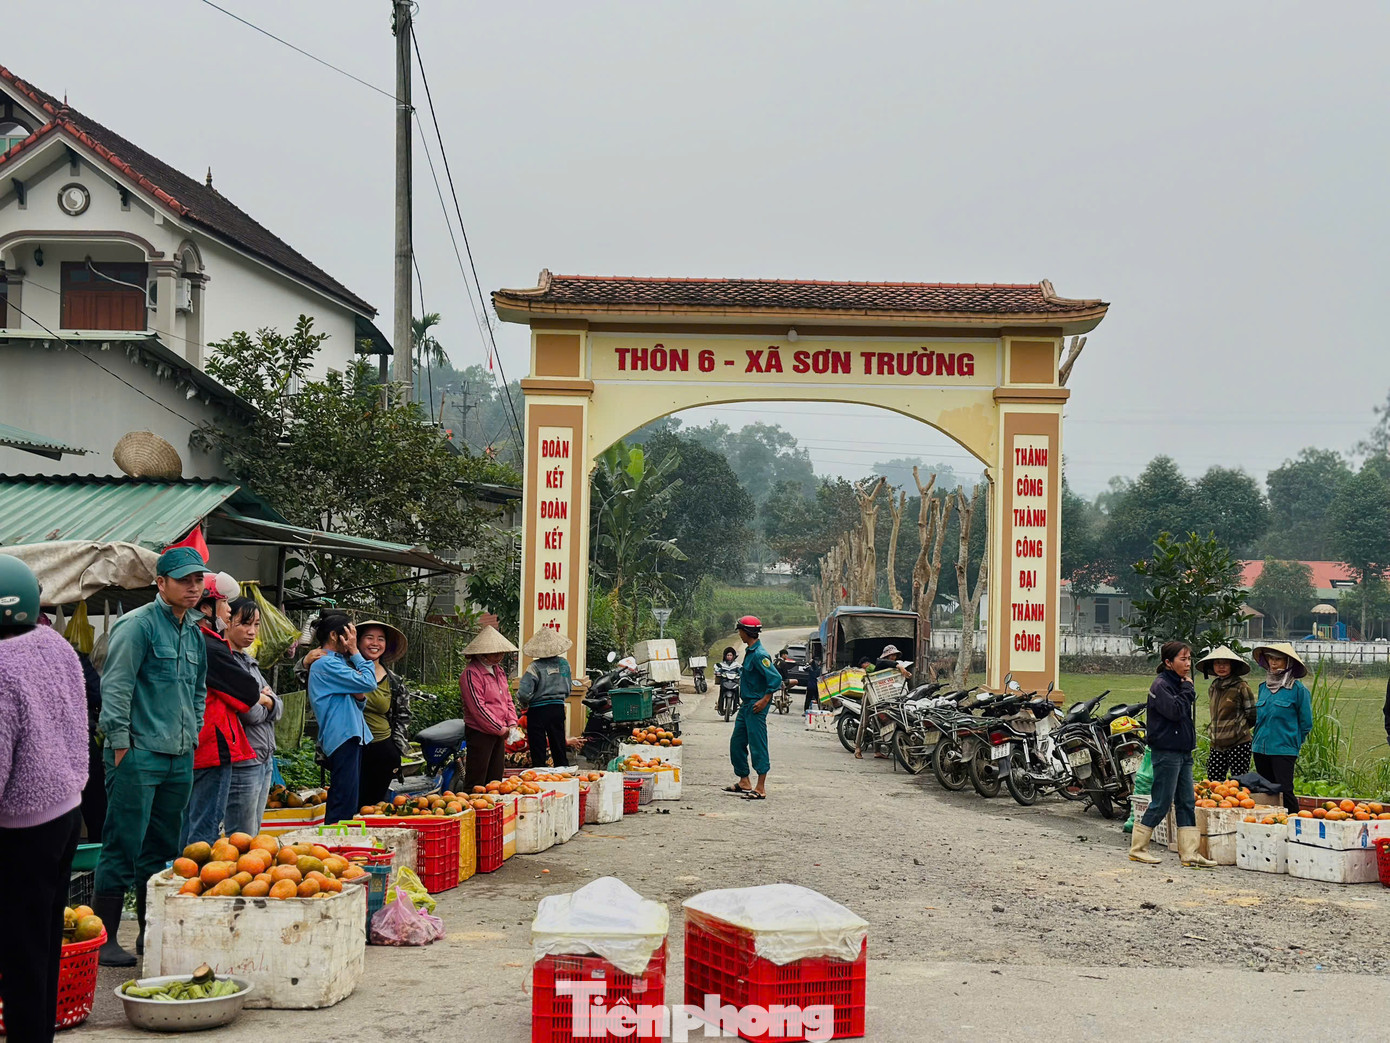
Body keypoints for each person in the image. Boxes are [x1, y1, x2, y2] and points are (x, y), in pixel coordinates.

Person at [94, 545, 208, 967]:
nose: (193, 587)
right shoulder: (136, 626)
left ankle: (149, 934)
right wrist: (121, 745)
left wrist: (193, 732)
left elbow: (198, 690)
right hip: (138, 754)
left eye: (198, 580)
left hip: (178, 755)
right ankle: (104, 939)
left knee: (161, 851)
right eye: (184, 580)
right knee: (123, 844)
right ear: (160, 583)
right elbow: (116, 687)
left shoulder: (194, 629)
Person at [0, 557, 88, 1042]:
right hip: (63, 810)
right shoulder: (54, 645)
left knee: (19, 949)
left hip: (20, 826)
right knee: (42, 940)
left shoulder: (1, 665)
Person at [182, 577, 262, 848]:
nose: (228, 611)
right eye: (224, 603)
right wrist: (264, 698)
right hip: (210, 748)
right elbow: (248, 694)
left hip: (191, 746)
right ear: (205, 608)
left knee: (188, 824)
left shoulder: (187, 638)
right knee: (204, 831)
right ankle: (191, 885)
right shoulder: (209, 646)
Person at [1129, 640, 1217, 868]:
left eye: (1189, 659)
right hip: (1166, 752)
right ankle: (1138, 848)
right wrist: (1188, 689)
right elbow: (1176, 711)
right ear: (1168, 662)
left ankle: (1189, 853)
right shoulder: (1161, 685)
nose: (1188, 664)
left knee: (1186, 801)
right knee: (1162, 800)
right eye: (1183, 659)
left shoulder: (1179, 683)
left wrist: (1186, 687)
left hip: (1183, 751)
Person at [307, 614, 377, 826]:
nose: (353, 640)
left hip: (351, 733)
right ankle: (333, 846)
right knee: (342, 798)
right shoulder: (325, 664)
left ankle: (339, 845)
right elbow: (369, 682)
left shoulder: (337, 663)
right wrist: (356, 652)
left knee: (348, 797)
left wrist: (360, 698)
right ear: (334, 635)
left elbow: (357, 700)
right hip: (342, 736)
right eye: (349, 635)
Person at [223, 598, 283, 836]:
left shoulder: (250, 662)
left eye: (256, 625)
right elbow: (250, 713)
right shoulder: (226, 661)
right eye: (245, 623)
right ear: (227, 622)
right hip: (243, 761)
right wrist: (265, 702)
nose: (251, 631)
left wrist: (267, 700)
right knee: (241, 836)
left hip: (264, 757)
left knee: (255, 834)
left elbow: (278, 707)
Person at [724, 615, 784, 801]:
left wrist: (765, 700)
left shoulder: (760, 655)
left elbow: (775, 679)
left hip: (757, 705)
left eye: (740, 631)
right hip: (746, 705)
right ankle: (744, 781)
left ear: (746, 632)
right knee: (737, 742)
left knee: (758, 745)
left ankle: (760, 787)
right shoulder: (750, 651)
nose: (740, 634)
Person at [1251, 642, 1313, 815]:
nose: (1273, 663)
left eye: (1278, 659)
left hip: (1284, 750)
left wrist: (1292, 743)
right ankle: (1271, 824)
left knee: (1285, 791)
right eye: (1270, 658)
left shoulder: (1298, 690)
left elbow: (1306, 723)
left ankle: (1294, 823)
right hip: (1260, 749)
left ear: (1288, 663)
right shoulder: (1263, 688)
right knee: (1266, 792)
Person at [355, 619, 412, 806]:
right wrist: (306, 660)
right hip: (351, 747)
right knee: (351, 801)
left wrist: (396, 749)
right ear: (357, 641)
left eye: (380, 639)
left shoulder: (394, 681)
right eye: (369, 637)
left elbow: (403, 716)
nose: (375, 643)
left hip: (382, 749)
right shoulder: (342, 670)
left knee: (375, 805)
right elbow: (306, 677)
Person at [460, 626, 520, 791]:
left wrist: (512, 722)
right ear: (482, 653)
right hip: (480, 733)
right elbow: (478, 708)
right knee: (477, 778)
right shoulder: (471, 674)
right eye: (495, 654)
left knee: (495, 778)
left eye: (501, 653)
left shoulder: (498, 671)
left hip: (500, 731)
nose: (499, 657)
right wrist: (501, 729)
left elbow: (507, 698)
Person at [1197, 645, 1256, 781]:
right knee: (1214, 781)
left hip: (1239, 743)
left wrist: (1239, 729)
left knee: (1238, 783)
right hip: (1217, 743)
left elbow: (1252, 714)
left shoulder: (1241, 687)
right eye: (1217, 663)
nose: (1221, 667)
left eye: (1225, 663)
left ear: (1232, 666)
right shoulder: (1214, 687)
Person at [518, 629, 574, 769]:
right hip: (558, 708)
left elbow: (524, 693)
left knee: (538, 747)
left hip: (537, 711)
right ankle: (563, 774)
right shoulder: (564, 664)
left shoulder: (534, 667)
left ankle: (539, 775)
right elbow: (568, 688)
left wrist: (524, 704)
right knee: (559, 744)